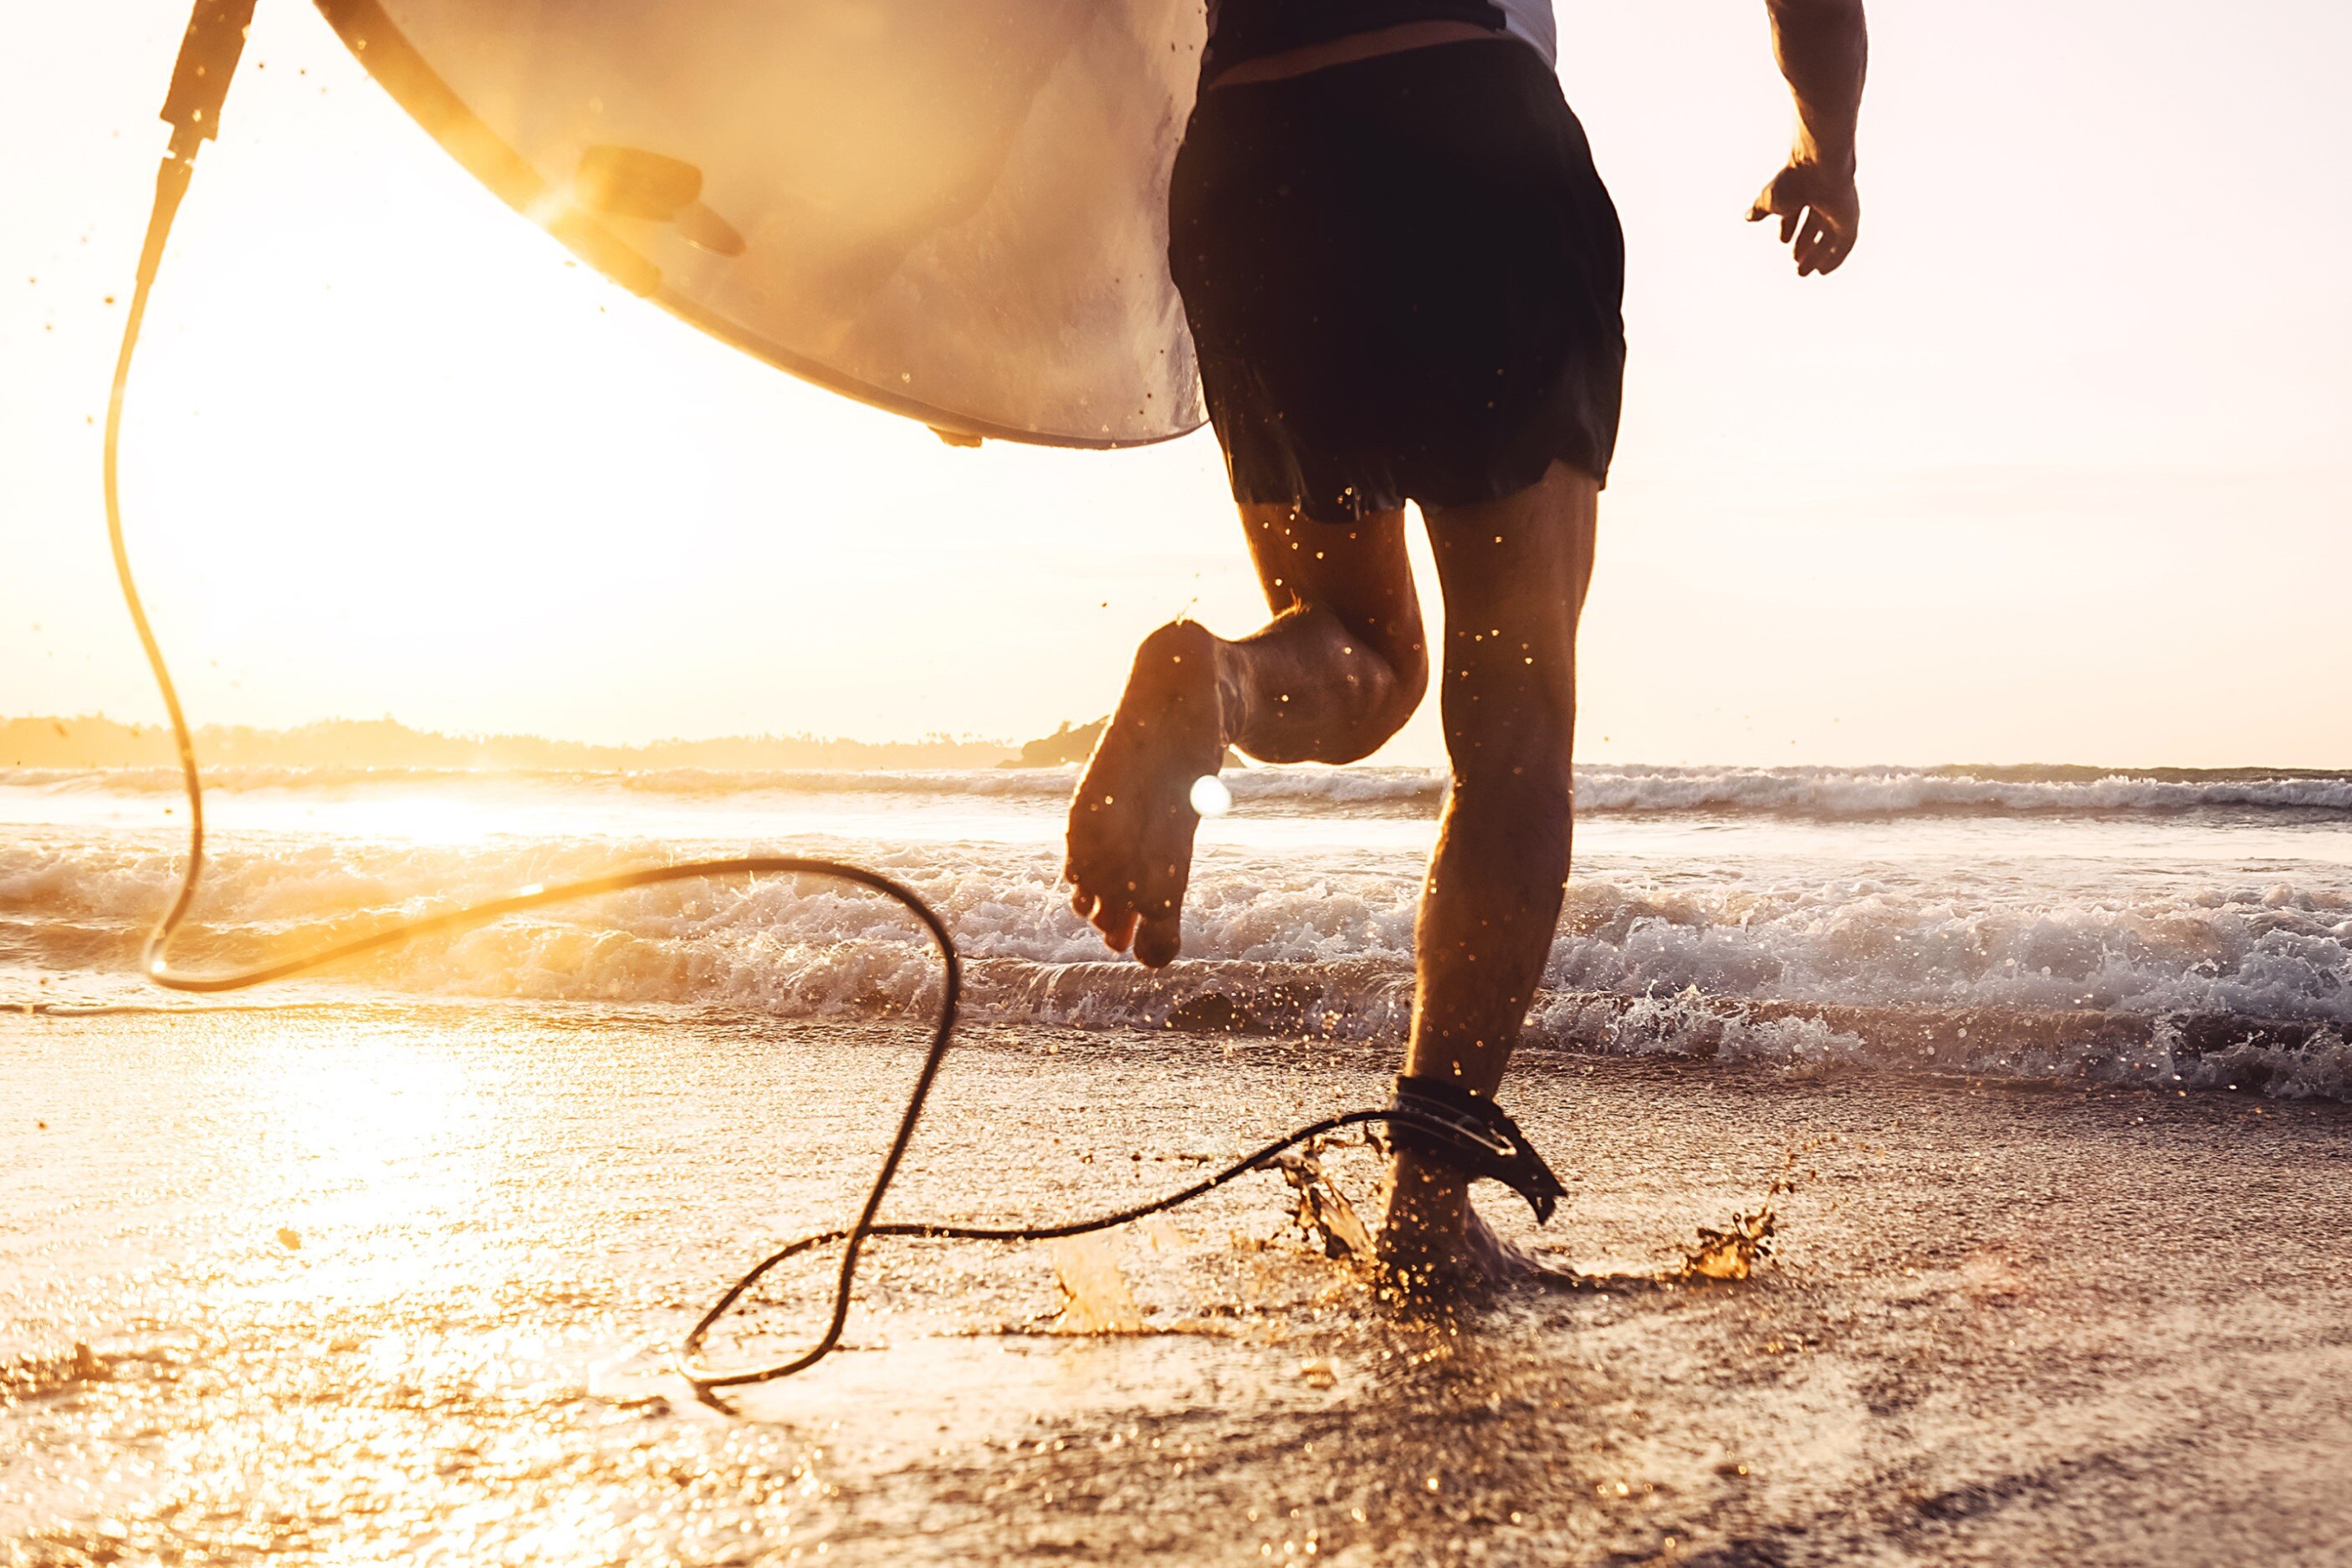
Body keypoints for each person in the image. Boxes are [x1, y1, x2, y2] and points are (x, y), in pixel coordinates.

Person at [1064, 0, 1866, 1291]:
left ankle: (1215, 676)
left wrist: (965, 332)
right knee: (1510, 737)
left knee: (1360, 655)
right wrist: (1827, 144)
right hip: (1470, 141)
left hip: (1257, 148)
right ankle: (1426, 1211)